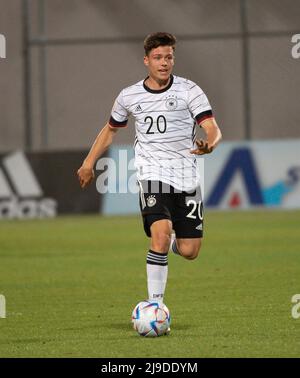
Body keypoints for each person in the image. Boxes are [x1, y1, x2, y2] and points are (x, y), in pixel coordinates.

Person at [77, 32, 222, 311]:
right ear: (146, 60)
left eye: (168, 57)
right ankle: (155, 307)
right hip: (152, 174)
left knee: (190, 251)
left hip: (187, 177)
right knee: (161, 231)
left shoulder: (189, 90)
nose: (164, 63)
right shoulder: (129, 96)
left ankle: (169, 244)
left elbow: (212, 128)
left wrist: (211, 146)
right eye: (157, 57)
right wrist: (88, 163)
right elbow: (110, 131)